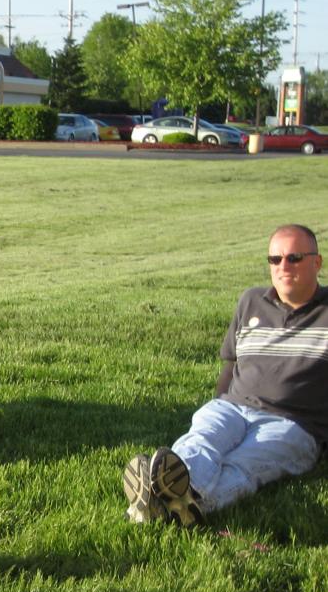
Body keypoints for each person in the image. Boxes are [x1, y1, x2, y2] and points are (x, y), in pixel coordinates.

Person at [123, 224, 327, 525]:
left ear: (317, 262)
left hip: (293, 423)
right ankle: (174, 498)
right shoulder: (251, 302)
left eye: (294, 257)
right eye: (275, 259)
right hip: (233, 407)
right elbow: (231, 364)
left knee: (243, 464)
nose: (283, 266)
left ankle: (175, 504)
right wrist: (218, 402)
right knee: (202, 440)